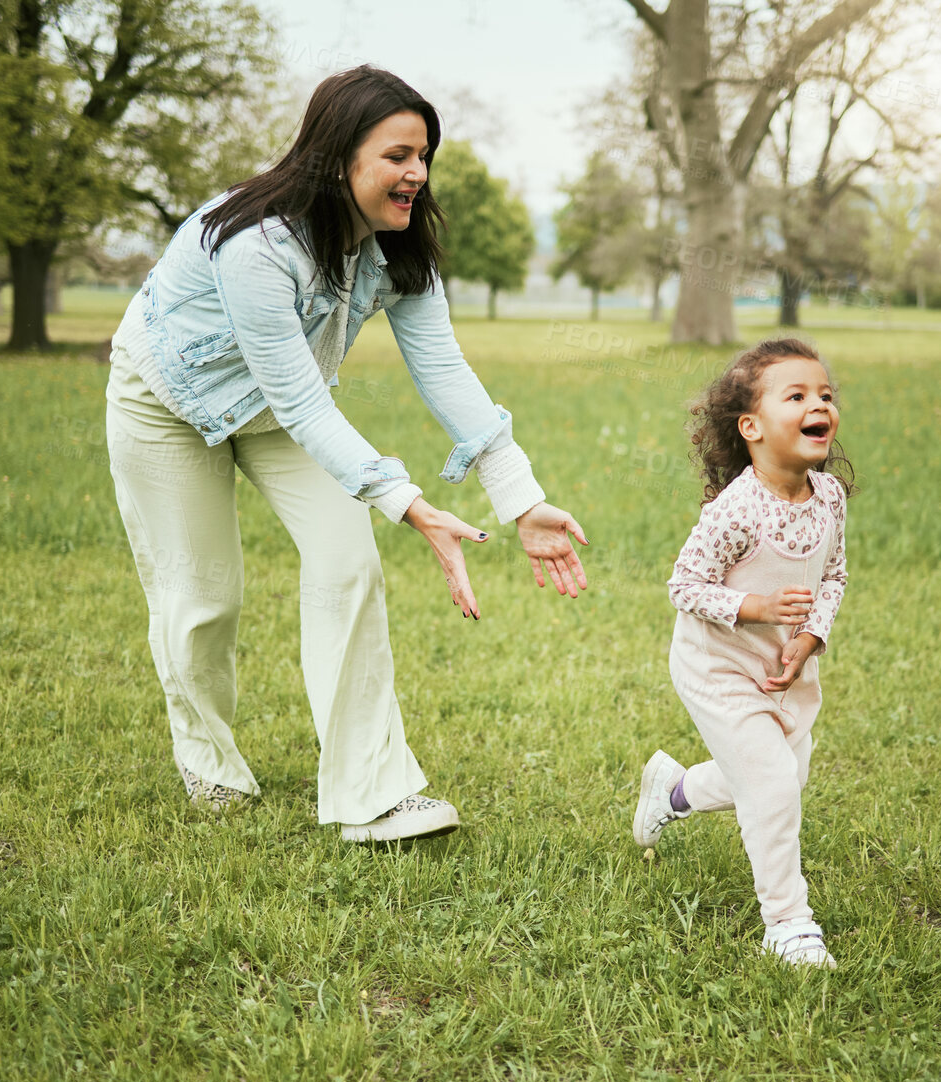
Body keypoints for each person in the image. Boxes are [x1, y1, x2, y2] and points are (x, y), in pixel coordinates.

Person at [104, 66, 588, 841]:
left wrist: (520, 499)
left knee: (348, 565)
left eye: (424, 155)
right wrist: (409, 503)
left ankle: (371, 795)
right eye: (398, 155)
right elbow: (299, 397)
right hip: (166, 403)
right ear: (338, 158)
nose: (417, 174)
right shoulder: (255, 243)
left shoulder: (401, 248)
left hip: (284, 417)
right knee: (203, 600)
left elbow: (442, 369)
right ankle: (209, 761)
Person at [632, 338, 853, 968]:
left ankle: (673, 793)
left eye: (825, 395)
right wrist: (754, 609)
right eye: (798, 395)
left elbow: (832, 577)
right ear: (751, 427)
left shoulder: (829, 498)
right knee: (775, 784)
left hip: (785, 666)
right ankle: (787, 923)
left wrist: (811, 637)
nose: (819, 405)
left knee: (775, 778)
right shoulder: (737, 510)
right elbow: (684, 586)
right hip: (717, 666)